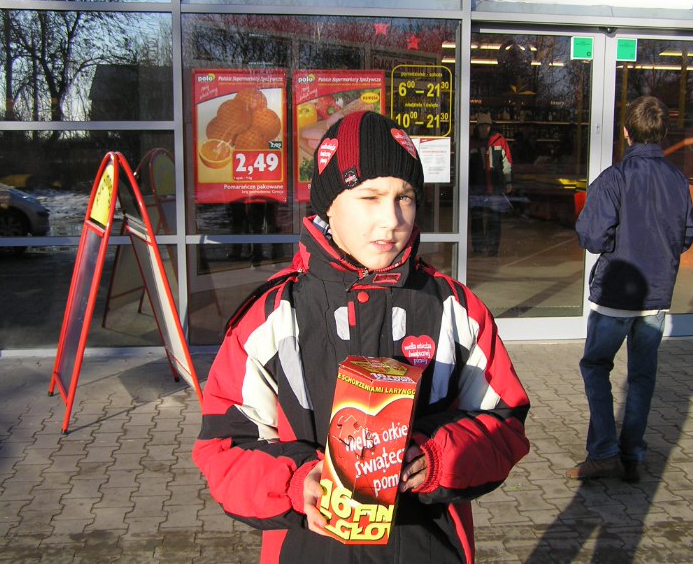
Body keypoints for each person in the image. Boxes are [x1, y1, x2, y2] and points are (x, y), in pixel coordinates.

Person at [193, 111, 531, 563]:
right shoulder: (273, 316)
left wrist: (437, 457)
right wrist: (294, 483)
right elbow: (224, 448)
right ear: (328, 206)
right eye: (369, 196)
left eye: (404, 197)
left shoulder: (455, 309)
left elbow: (505, 423)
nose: (391, 219)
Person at [567, 96, 693, 483]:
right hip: (656, 296)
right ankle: (632, 455)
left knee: (595, 367)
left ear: (626, 132)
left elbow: (592, 236)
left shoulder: (614, 178)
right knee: (641, 377)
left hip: (616, 296)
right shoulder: (678, 180)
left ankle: (605, 451)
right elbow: (687, 234)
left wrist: (617, 246)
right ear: (663, 132)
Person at [468, 113, 513, 256]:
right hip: (477, 186)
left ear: (490, 126)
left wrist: (508, 181)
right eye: (482, 126)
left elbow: (507, 163)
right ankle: (478, 247)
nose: (484, 129)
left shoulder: (499, 140)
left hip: (495, 186)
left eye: (487, 126)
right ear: (477, 127)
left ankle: (492, 248)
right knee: (477, 219)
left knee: (494, 219)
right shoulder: (471, 142)